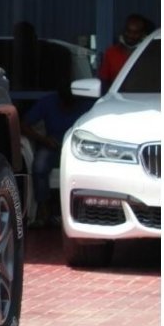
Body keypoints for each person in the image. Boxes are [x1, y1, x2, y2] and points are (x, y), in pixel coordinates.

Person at [22, 78, 94, 228]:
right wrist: (43, 139)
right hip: (52, 144)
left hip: (78, 145)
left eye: (71, 103)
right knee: (39, 167)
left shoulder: (87, 104)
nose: (68, 107)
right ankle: (44, 211)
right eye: (64, 103)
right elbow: (23, 124)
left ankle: (84, 211)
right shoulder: (48, 102)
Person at [97, 14, 152, 91]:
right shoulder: (111, 52)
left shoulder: (149, 54)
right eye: (128, 31)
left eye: (135, 33)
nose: (130, 35)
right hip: (117, 98)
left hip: (143, 98)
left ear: (142, 34)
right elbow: (104, 80)